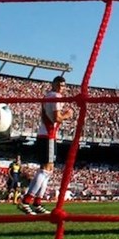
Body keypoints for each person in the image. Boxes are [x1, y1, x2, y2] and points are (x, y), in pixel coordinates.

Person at [18, 76, 73, 215]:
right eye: (59, 85)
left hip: (46, 135)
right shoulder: (56, 96)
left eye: (63, 86)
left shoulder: (48, 96)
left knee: (48, 170)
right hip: (48, 135)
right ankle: (26, 200)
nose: (61, 88)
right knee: (45, 169)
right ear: (53, 84)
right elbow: (56, 118)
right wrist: (67, 114)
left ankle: (37, 202)